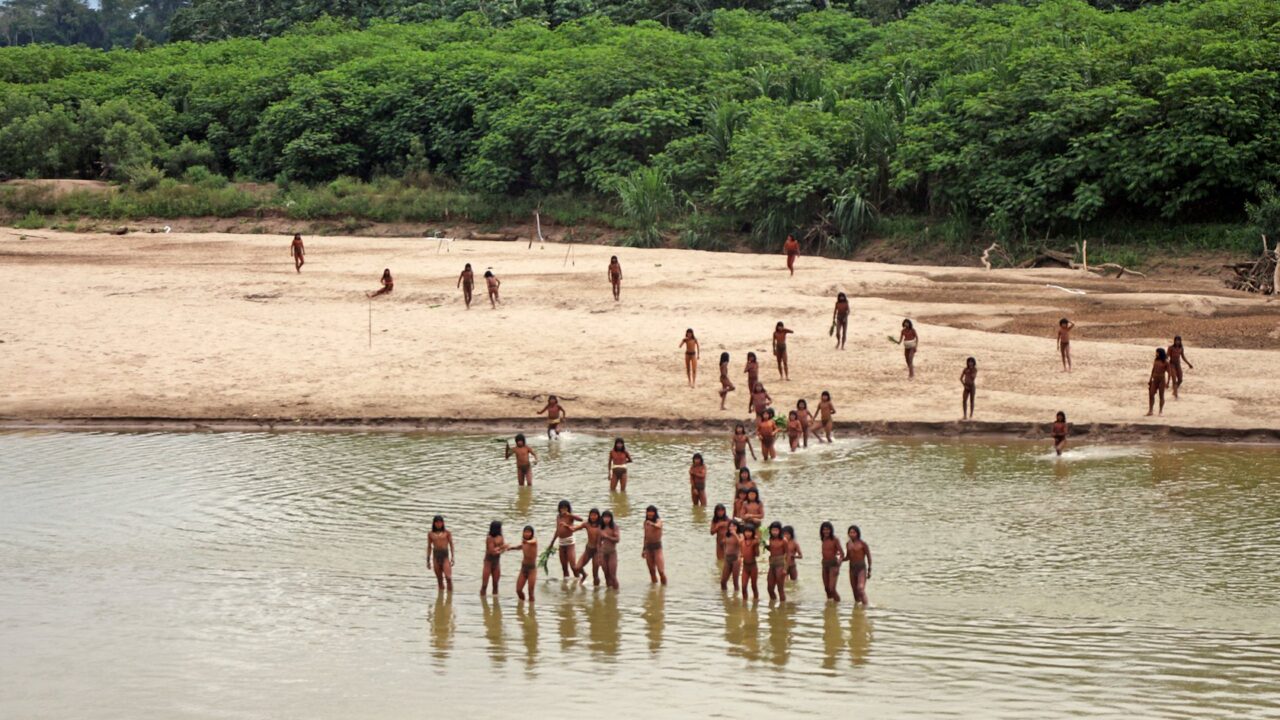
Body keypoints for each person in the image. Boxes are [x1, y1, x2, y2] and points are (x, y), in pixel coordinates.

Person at [555, 500, 585, 580]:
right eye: (562, 508)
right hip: (561, 543)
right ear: (559, 509)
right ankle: (566, 584)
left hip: (570, 542)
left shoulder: (570, 516)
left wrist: (569, 515)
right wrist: (552, 542)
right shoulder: (558, 517)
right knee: (564, 567)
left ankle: (580, 579)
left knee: (573, 566)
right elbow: (557, 530)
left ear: (568, 509)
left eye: (565, 508)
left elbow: (581, 519)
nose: (563, 510)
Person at [480, 521, 513, 596]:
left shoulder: (501, 537)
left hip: (496, 562)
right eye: (500, 528)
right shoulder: (489, 538)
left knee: (495, 584)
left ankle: (495, 602)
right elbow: (492, 552)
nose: (501, 529)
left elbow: (501, 550)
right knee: (484, 585)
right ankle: (483, 600)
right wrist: (502, 547)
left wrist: (506, 548)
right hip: (488, 563)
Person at [572, 508, 603, 586]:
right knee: (576, 568)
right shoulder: (587, 524)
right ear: (589, 516)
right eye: (591, 515)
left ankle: (596, 593)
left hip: (597, 551)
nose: (593, 517)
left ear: (598, 516)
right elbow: (575, 528)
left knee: (595, 574)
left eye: (595, 515)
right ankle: (584, 574)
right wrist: (568, 527)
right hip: (588, 550)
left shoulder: (601, 526)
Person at [845, 525, 872, 606]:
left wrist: (869, 570)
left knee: (860, 589)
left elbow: (868, 556)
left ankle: (867, 606)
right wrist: (839, 560)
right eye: (850, 532)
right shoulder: (848, 544)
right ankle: (858, 613)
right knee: (855, 593)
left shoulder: (863, 544)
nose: (852, 534)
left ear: (857, 533)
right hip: (852, 569)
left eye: (853, 532)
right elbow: (848, 557)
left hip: (861, 568)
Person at [426, 515, 454, 592]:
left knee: (448, 578)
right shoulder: (430, 534)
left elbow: (451, 544)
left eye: (440, 522)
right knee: (439, 579)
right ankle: (440, 598)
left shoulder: (447, 533)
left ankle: (450, 597)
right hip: (436, 558)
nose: (439, 524)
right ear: (434, 523)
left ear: (443, 523)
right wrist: (428, 560)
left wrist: (452, 557)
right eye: (437, 522)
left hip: (445, 557)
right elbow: (429, 547)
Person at [642, 505, 667, 585]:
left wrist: (652, 524)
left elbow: (658, 526)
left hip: (657, 548)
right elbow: (645, 536)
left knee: (661, 571)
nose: (650, 514)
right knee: (651, 571)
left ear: (655, 513)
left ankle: (663, 589)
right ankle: (654, 589)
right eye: (648, 512)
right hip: (648, 548)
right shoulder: (645, 523)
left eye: (652, 512)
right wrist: (643, 549)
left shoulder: (658, 521)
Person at [819, 522, 844, 602]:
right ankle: (830, 605)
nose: (826, 531)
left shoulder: (835, 539)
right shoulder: (823, 539)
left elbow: (842, 554)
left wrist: (838, 565)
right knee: (826, 588)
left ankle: (838, 604)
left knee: (832, 588)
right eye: (824, 530)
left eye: (827, 530)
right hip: (825, 564)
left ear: (831, 530)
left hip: (833, 565)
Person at [766, 522, 789, 602]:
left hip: (780, 564)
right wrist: (765, 545)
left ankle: (782, 608)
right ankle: (773, 603)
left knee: (780, 588)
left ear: (779, 531)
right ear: (770, 531)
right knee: (769, 588)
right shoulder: (769, 539)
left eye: (776, 530)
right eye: (773, 530)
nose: (774, 532)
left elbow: (788, 555)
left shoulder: (784, 540)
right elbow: (771, 549)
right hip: (772, 564)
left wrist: (785, 569)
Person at [515, 525, 538, 602]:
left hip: (532, 570)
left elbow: (532, 541)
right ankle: (522, 604)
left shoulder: (533, 541)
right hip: (523, 569)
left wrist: (527, 541)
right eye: (525, 532)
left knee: (531, 593)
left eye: (529, 532)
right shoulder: (524, 542)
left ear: (532, 533)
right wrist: (511, 548)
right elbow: (520, 546)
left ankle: (531, 610)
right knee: (518, 590)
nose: (527, 534)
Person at [599, 510, 621, 590]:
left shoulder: (614, 527)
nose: (606, 519)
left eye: (608, 517)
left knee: (612, 575)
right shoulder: (601, 527)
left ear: (611, 518)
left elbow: (618, 539)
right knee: (606, 575)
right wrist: (599, 556)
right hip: (603, 553)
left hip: (612, 553)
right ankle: (609, 595)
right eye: (605, 517)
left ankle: (616, 594)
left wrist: (607, 537)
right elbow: (598, 542)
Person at [1148, 347, 1172, 416]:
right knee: (1151, 394)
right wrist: (1150, 379)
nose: (1156, 353)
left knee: (1161, 396)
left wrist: (1168, 382)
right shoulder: (1155, 360)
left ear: (1160, 353)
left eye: (1157, 352)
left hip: (1161, 379)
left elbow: (1169, 373)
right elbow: (1153, 370)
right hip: (1155, 379)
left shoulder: (1165, 362)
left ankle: (1160, 411)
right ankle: (1150, 410)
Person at [739, 524, 760, 600]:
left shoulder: (754, 542)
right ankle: (744, 604)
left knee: (753, 586)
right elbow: (741, 554)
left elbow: (757, 554)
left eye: (750, 532)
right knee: (743, 586)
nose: (748, 533)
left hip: (753, 566)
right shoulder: (741, 541)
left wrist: (757, 546)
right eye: (746, 531)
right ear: (744, 532)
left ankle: (756, 602)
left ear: (753, 533)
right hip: (745, 567)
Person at [720, 521, 742, 593]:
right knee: (723, 581)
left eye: (733, 526)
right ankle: (724, 597)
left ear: (737, 527)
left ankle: (736, 598)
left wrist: (735, 534)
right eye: (730, 526)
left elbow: (741, 543)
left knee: (735, 581)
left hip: (736, 559)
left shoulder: (740, 535)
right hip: (727, 558)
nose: (731, 528)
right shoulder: (727, 535)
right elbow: (724, 544)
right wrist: (725, 553)